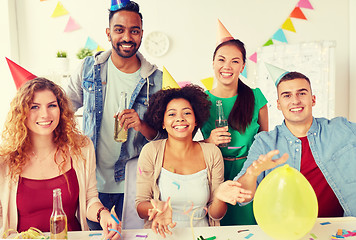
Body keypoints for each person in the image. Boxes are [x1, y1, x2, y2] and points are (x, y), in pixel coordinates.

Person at [63, 0, 162, 228]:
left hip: (135, 185)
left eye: (134, 31)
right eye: (119, 30)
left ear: (141, 34)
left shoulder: (154, 80)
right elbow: (62, 109)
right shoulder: (89, 68)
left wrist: (141, 125)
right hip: (91, 183)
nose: (127, 37)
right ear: (108, 33)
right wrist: (72, 142)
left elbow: (162, 139)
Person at [0, 78, 121, 239]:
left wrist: (103, 214)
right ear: (22, 112)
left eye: (52, 105)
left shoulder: (82, 148)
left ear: (61, 109)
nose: (45, 114)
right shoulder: (5, 160)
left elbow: (90, 198)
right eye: (34, 107)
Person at [233, 71, 356, 217]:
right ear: (279, 104)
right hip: (290, 233)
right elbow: (242, 197)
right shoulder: (265, 143)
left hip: (342, 229)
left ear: (313, 99)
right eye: (287, 95)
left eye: (302, 93)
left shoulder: (341, 128)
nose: (295, 101)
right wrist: (252, 174)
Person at [135, 85, 252, 238]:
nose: (180, 118)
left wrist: (219, 198)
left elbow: (216, 215)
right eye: (171, 114)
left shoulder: (212, 153)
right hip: (162, 235)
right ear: (162, 122)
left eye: (187, 113)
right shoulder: (151, 151)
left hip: (202, 235)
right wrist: (159, 208)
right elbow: (140, 206)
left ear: (196, 120)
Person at [200, 38, 268, 225]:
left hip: (249, 177)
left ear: (243, 66)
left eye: (235, 61)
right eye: (221, 60)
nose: (227, 66)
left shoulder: (256, 98)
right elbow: (184, 147)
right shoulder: (201, 101)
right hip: (214, 178)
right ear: (213, 63)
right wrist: (208, 142)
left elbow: (265, 142)